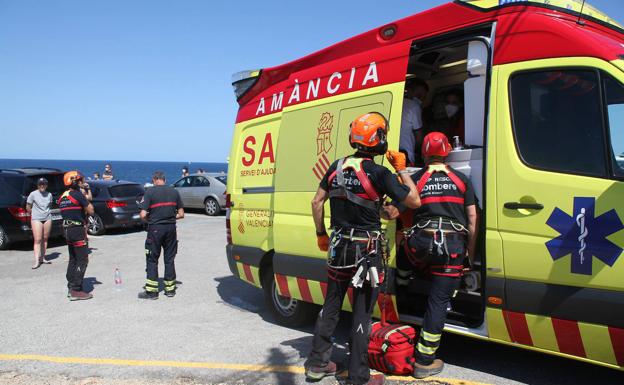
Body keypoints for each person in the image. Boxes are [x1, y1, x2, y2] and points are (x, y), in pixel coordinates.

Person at [305, 112, 421, 385]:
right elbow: (414, 200)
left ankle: (318, 364)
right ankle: (358, 376)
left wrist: (321, 233)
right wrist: (402, 169)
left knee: (331, 305)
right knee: (361, 312)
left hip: (338, 248)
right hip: (366, 254)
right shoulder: (380, 173)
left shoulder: (337, 166)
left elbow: (316, 202)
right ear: (376, 139)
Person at [387, 132, 477, 378]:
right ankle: (425, 359)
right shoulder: (461, 180)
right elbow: (472, 219)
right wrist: (469, 255)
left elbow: (393, 213)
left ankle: (402, 287)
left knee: (404, 252)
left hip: (420, 247)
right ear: (447, 151)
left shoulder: (416, 179)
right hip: (451, 249)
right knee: (438, 301)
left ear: (425, 154)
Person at [137, 171, 184, 299]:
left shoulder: (150, 192)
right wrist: (168, 218)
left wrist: (150, 220)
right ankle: (170, 290)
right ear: (164, 179)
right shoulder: (174, 192)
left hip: (155, 230)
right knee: (169, 259)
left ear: (154, 179)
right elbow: (181, 214)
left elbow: (142, 215)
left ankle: (152, 292)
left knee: (152, 259)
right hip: (171, 229)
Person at [58, 171, 95, 301]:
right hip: (77, 229)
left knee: (73, 257)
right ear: (73, 181)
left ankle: (71, 283)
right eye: (79, 180)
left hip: (67, 230)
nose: (81, 182)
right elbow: (91, 210)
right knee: (83, 259)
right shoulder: (77, 194)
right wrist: (86, 200)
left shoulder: (63, 196)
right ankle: (76, 289)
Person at [400, 77, 429, 166]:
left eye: (423, 97)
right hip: (406, 157)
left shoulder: (397, 102)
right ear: (409, 90)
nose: (420, 99)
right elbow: (419, 138)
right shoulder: (414, 106)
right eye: (419, 96)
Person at [26, 178, 53, 269]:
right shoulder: (33, 194)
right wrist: (33, 215)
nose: (42, 185)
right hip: (36, 218)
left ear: (46, 185)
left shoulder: (49, 194)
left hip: (47, 218)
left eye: (44, 184)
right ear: (37, 185)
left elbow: (50, 206)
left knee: (45, 239)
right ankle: (37, 261)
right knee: (37, 239)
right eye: (40, 184)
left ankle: (42, 258)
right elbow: (28, 206)